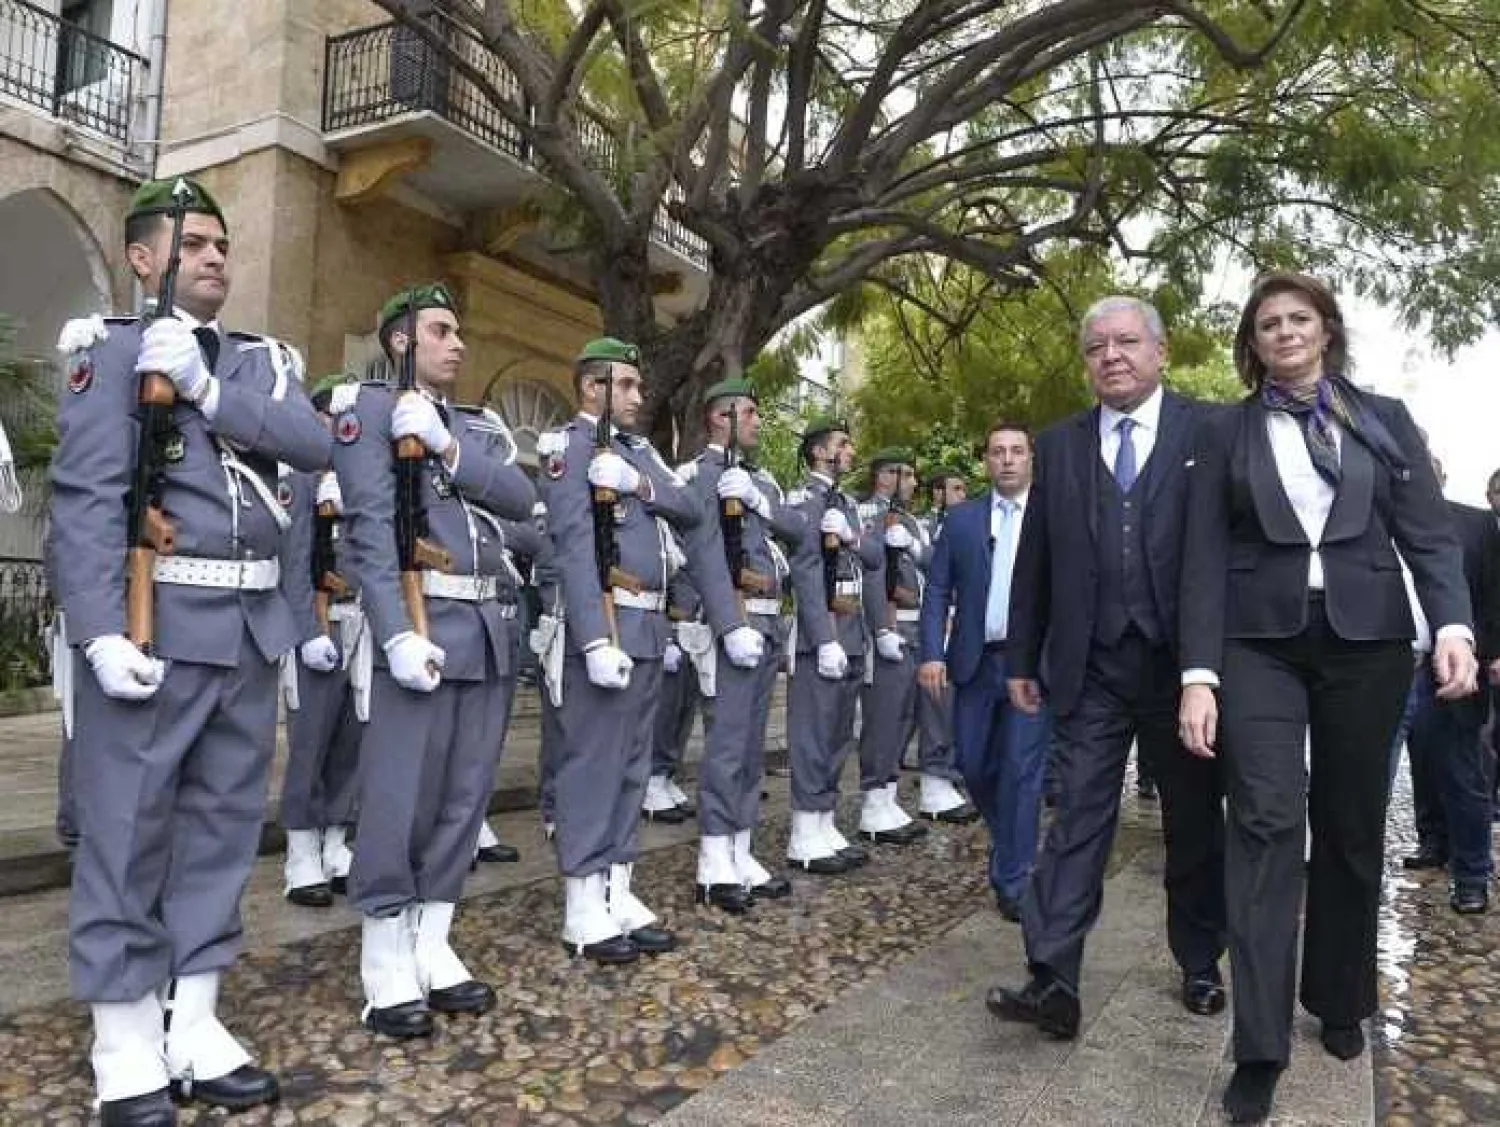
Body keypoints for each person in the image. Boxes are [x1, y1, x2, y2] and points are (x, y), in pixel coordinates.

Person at [49, 178, 330, 1125]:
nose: (215, 256)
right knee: (127, 833)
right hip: (154, 628)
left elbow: (316, 442)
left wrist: (209, 389)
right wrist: (94, 634)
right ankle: (124, 1037)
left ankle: (194, 1017)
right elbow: (85, 504)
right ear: (142, 258)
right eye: (195, 241)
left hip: (248, 633)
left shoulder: (257, 363)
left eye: (222, 241)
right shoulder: (110, 354)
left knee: (221, 829)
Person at [1177, 272, 1478, 1123]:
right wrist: (1198, 674)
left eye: (1297, 318)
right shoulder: (1224, 428)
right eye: (1267, 322)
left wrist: (1452, 625)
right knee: (1266, 823)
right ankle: (1260, 1045)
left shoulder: (1382, 416)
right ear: (1253, 341)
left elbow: (1426, 530)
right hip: (1256, 643)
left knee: (1351, 823)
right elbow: (1201, 556)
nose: (1283, 332)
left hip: (1368, 639)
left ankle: (1340, 996)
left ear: (1326, 329)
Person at [990, 296, 1228, 1041]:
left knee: (1191, 824)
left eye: (1127, 341)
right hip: (1090, 666)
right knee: (1077, 818)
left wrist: (1212, 668)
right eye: (1096, 346)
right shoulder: (1057, 446)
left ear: (1160, 352)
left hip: (1178, 668)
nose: (1111, 355)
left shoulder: (1209, 430)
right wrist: (1023, 655)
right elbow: (1036, 558)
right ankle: (1053, 974)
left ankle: (1199, 959)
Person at [334, 284, 536, 1039]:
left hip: (481, 627)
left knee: (463, 793)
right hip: (420, 625)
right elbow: (366, 531)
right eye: (440, 330)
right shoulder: (367, 414)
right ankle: (384, 953)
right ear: (400, 341)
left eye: (458, 330)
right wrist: (392, 632)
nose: (457, 343)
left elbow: (519, 498)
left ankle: (433, 938)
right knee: (401, 795)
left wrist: (449, 447)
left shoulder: (471, 429)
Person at [537, 338, 701, 963]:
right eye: (625, 385)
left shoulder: (640, 454)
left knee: (633, 767)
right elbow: (576, 550)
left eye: (638, 385)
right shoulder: (567, 450)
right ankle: (582, 901)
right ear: (591, 389)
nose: (637, 396)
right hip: (600, 629)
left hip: (648, 629)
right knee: (592, 768)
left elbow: (689, 509)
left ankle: (616, 886)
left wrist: (638, 483)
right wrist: (596, 638)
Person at [678, 377, 802, 909]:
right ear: (718, 419)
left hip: (769, 622)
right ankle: (712, 858)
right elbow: (702, 552)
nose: (756, 421)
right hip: (733, 626)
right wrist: (729, 626)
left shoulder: (761, 482)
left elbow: (797, 531)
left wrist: (759, 502)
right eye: (747, 412)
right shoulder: (698, 477)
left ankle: (740, 847)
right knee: (727, 746)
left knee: (751, 748)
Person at [918, 424, 1047, 920]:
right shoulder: (964, 520)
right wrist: (932, 652)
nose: (1008, 460)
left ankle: (1014, 878)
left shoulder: (1053, 514)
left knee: (1022, 770)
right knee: (973, 766)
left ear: (1031, 458)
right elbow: (937, 591)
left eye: (1017, 450)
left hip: (1031, 665)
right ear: (985, 461)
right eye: (998, 452)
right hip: (974, 663)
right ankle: (1011, 842)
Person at [278, 374, 365, 908]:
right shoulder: (301, 481)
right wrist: (307, 633)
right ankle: (300, 851)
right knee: (309, 745)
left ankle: (337, 838)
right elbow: (292, 565)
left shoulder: (361, 481)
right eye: (336, 419)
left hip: (360, 624)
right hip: (320, 621)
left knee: (353, 742)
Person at [784, 418, 884, 873]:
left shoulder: (845, 505)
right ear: (819, 452)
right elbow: (805, 573)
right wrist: (823, 639)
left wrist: (851, 536)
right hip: (820, 632)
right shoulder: (804, 501)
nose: (850, 450)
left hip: (850, 628)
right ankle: (805, 830)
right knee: (814, 734)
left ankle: (823, 819)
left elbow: (875, 557)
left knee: (839, 732)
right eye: (842, 444)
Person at [854, 449, 933, 843]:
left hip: (917, 627)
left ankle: (887, 796)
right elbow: (869, 577)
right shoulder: (866, 515)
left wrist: (915, 549)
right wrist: (882, 626)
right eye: (907, 475)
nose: (915, 483)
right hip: (889, 625)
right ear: (885, 477)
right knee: (884, 717)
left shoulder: (911, 522)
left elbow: (934, 564)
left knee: (905, 715)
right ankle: (872, 799)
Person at [907, 470, 975, 815]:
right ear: (938, 494)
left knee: (953, 705)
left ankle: (950, 772)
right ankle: (935, 775)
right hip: (930, 619)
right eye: (957, 488)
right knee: (936, 703)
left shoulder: (963, 524)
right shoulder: (926, 525)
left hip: (959, 619)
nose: (964, 494)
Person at [642, 567, 704, 824]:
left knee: (684, 711)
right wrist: (666, 638)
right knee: (665, 712)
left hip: (692, 632)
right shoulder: (663, 538)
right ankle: (652, 780)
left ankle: (666, 774)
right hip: (670, 632)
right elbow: (658, 590)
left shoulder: (690, 537)